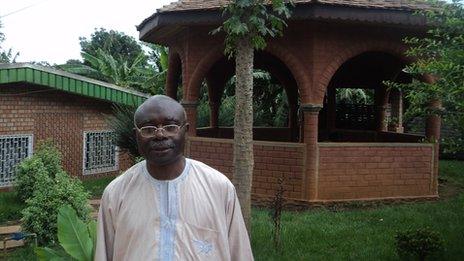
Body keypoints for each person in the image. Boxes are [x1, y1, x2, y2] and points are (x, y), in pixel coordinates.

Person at [95, 95, 253, 261]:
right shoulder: (116, 193)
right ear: (136, 135)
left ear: (186, 130)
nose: (160, 135)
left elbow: (240, 253)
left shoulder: (219, 188)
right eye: (148, 129)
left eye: (171, 127)